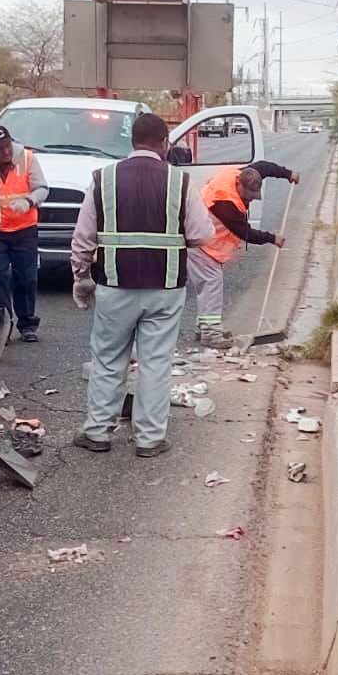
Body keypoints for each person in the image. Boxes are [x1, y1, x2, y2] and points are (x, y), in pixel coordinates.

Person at [70, 113, 215, 458]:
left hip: (115, 286)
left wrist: (81, 277)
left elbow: (82, 238)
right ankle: (149, 439)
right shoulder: (179, 182)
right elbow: (202, 234)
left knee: (108, 360)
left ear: (132, 142)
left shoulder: (103, 179)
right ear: (164, 143)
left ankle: (98, 433)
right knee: (156, 363)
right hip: (164, 288)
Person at [188, 161, 299, 348]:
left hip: (203, 240)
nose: (251, 200)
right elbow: (245, 233)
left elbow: (265, 167)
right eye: (249, 197)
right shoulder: (225, 204)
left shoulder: (242, 174)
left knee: (207, 288)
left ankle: (205, 327)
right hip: (201, 243)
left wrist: (288, 173)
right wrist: (272, 238)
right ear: (239, 185)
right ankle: (210, 334)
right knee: (212, 285)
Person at [0, 125, 48, 353]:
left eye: (8, 146)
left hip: (24, 229)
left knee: (26, 278)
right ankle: (1, 324)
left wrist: (29, 201)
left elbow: (43, 188)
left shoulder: (27, 158)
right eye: (0, 149)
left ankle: (27, 323)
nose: (6, 152)